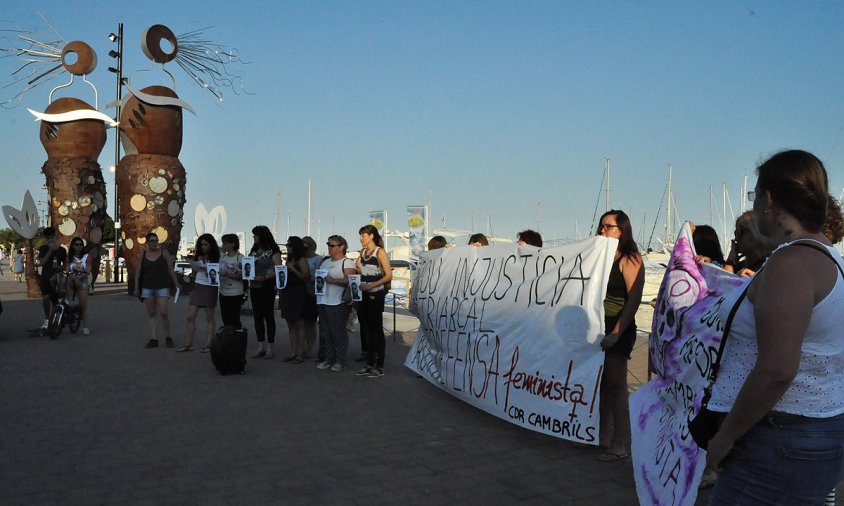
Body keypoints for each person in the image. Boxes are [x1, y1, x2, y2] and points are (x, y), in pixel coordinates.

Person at [705, 150, 844, 504]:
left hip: (778, 438)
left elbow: (777, 369)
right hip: (813, 431)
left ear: (769, 200)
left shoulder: (791, 263)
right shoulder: (830, 259)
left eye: (755, 195)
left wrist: (727, 436)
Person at [596, 210, 644, 462]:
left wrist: (616, 333)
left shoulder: (630, 259)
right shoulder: (598, 257)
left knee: (616, 386)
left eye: (609, 226)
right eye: (601, 226)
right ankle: (602, 436)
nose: (603, 230)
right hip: (596, 328)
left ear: (622, 230)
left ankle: (620, 443)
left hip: (618, 329)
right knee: (601, 386)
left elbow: (634, 300)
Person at [354, 224, 393, 378]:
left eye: (363, 235)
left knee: (376, 329)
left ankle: (380, 365)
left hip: (376, 294)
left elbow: (388, 275)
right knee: (367, 329)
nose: (361, 238)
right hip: (364, 294)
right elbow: (358, 267)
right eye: (360, 235)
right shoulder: (363, 252)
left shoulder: (380, 252)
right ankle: (369, 363)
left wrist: (373, 284)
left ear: (371, 236)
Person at [316, 235, 357, 371]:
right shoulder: (325, 262)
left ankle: (340, 360)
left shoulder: (347, 262)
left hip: (337, 302)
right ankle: (329, 359)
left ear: (342, 247)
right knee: (326, 333)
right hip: (323, 300)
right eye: (328, 244)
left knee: (338, 332)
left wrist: (332, 280)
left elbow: (351, 281)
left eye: (332, 245)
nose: (329, 247)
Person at [134, 232, 179, 349]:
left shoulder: (164, 253)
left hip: (162, 286)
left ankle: (168, 337)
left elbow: (170, 269)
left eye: (156, 240)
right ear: (147, 242)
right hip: (147, 287)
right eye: (152, 241)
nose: (154, 243)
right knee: (152, 313)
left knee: (163, 312)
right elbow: (138, 271)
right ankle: (154, 338)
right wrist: (136, 287)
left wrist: (176, 283)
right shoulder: (143, 254)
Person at [249, 226, 282, 358]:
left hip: (267, 286)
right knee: (257, 316)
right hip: (254, 286)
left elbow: (279, 270)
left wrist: (265, 277)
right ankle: (261, 345)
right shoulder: (254, 250)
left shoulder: (273, 251)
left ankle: (270, 347)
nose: (254, 237)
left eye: (255, 235)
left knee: (268, 315)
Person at [184, 234, 220, 353]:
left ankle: (209, 344)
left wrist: (206, 270)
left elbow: (216, 274)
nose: (203, 247)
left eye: (205, 245)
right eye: (201, 244)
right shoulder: (199, 256)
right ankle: (189, 343)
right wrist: (195, 264)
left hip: (210, 286)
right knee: (190, 316)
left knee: (209, 316)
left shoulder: (216, 257)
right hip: (198, 285)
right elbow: (194, 272)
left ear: (211, 245)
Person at [278, 236, 310, 363]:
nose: (287, 247)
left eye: (290, 245)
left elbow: (305, 277)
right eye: (287, 245)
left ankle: (300, 353)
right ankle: (293, 352)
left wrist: (292, 268)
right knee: (290, 324)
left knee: (299, 324)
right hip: (287, 292)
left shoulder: (301, 260)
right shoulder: (289, 260)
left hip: (298, 293)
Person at [723, 211, 777, 277]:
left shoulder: (769, 267)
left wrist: (729, 262)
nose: (736, 238)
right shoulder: (741, 266)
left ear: (754, 235)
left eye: (739, 232)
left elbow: (727, 282)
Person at [36, 227, 67, 332]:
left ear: (56, 236)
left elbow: (66, 265)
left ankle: (54, 321)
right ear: (46, 238)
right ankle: (46, 319)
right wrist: (50, 250)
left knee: (55, 301)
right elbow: (42, 262)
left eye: (52, 237)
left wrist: (60, 267)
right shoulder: (43, 248)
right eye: (48, 238)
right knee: (45, 298)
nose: (51, 240)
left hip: (57, 277)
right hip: (45, 276)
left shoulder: (62, 250)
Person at [66, 237, 93, 335]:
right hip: (72, 279)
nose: (79, 246)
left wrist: (79, 276)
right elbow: (68, 270)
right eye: (76, 244)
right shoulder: (69, 257)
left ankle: (85, 326)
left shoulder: (87, 256)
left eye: (81, 244)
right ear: (73, 246)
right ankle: (68, 304)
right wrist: (74, 276)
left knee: (83, 305)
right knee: (67, 279)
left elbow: (88, 270)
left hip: (83, 279)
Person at [218, 233, 245, 331]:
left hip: (236, 292)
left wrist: (228, 274)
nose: (223, 246)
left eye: (225, 243)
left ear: (232, 244)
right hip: (223, 292)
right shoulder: (222, 257)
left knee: (235, 318)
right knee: (225, 318)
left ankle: (237, 338)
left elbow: (243, 275)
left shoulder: (241, 258)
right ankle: (227, 339)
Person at [302, 236, 322, 361]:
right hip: (301, 293)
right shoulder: (301, 259)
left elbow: (319, 275)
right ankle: (303, 346)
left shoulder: (318, 259)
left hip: (313, 293)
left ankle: (311, 348)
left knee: (311, 322)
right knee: (302, 322)